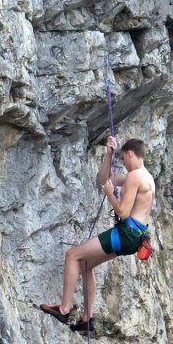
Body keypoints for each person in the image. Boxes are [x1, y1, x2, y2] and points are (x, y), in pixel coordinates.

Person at [38, 136, 155, 333]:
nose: (123, 163)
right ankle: (87, 320)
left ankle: (64, 309)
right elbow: (104, 180)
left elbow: (123, 212)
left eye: (123, 159)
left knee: (72, 255)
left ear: (130, 153)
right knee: (85, 265)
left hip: (126, 233)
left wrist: (110, 194)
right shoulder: (145, 177)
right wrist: (109, 155)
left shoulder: (135, 176)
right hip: (135, 238)